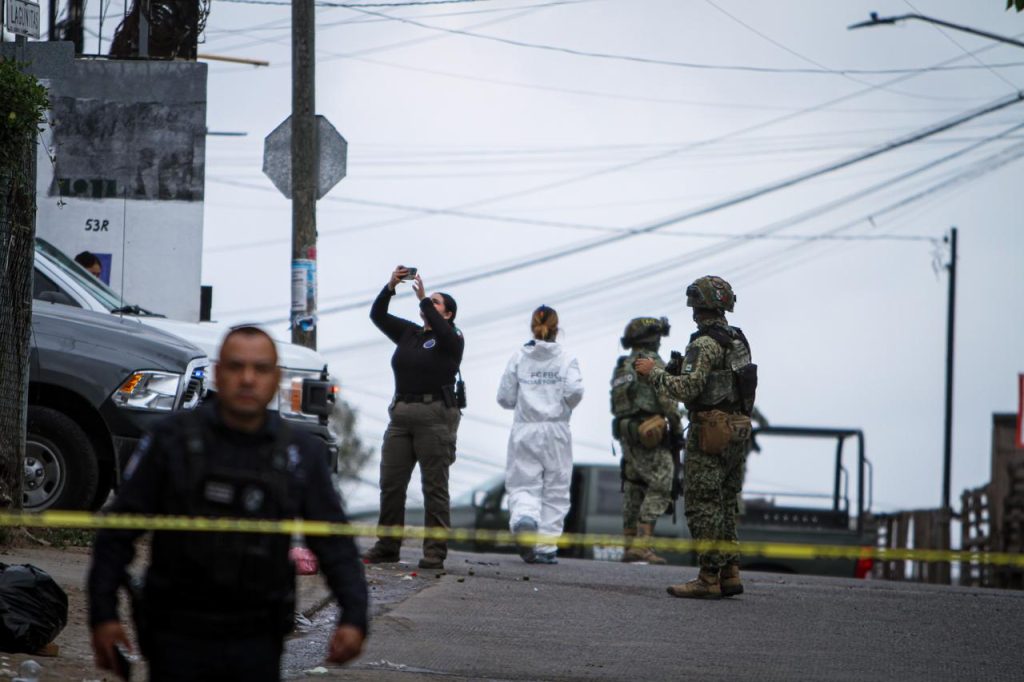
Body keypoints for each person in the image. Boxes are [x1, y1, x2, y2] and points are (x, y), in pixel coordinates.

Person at [87, 325, 368, 681]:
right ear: (218, 374)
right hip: (176, 632)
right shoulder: (171, 439)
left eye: (261, 369)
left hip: (257, 638)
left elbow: (333, 542)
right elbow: (118, 532)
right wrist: (104, 615)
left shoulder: (300, 452)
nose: (248, 379)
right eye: (236, 367)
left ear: (276, 378)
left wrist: (354, 616)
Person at [635, 275, 757, 599]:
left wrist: (655, 373)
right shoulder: (737, 340)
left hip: (710, 434)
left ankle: (708, 578)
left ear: (696, 306)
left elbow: (687, 389)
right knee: (726, 503)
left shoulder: (703, 344)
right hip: (737, 430)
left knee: (704, 505)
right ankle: (730, 572)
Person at [362, 266, 464, 570]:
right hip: (401, 415)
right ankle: (387, 545)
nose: (429, 305)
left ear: (447, 314)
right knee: (391, 482)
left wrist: (422, 299)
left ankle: (434, 552)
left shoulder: (452, 337)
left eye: (436, 303)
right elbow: (377, 316)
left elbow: (445, 333)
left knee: (434, 486)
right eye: (428, 301)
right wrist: (391, 286)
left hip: (434, 415)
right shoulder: (410, 333)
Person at [497, 305, 584, 564]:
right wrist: (562, 405)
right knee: (555, 488)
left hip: (525, 429)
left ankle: (525, 519)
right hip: (556, 429)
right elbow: (575, 391)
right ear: (558, 328)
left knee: (524, 484)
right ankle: (546, 547)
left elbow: (504, 397)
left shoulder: (520, 357)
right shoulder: (567, 358)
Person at [610, 316, 682, 565]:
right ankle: (642, 545)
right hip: (650, 433)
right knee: (662, 482)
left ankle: (630, 545)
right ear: (653, 339)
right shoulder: (652, 364)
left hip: (626, 432)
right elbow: (667, 402)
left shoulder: (623, 366)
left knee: (633, 485)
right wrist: (678, 427)